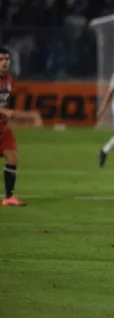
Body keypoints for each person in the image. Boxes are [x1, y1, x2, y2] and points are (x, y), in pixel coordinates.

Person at [0, 47, 41, 207]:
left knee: (12, 158)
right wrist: (8, 113)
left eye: (6, 59)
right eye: (1, 59)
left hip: (3, 128)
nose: (4, 62)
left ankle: (8, 197)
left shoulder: (9, 81)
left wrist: (11, 117)